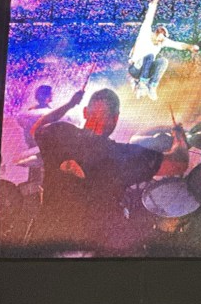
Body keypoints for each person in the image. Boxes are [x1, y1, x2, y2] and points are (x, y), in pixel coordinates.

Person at [29, 86, 187, 253]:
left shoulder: (57, 133)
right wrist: (179, 138)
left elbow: (37, 127)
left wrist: (70, 104)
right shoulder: (122, 156)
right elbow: (178, 163)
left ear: (85, 112)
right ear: (115, 119)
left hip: (46, 245)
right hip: (94, 249)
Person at [127, 0, 200, 100]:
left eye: (163, 37)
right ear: (156, 32)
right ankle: (142, 84)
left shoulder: (162, 42)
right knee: (150, 56)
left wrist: (190, 47)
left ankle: (152, 86)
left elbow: (178, 45)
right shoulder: (145, 32)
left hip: (146, 70)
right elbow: (149, 16)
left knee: (163, 61)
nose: (161, 40)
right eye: (160, 35)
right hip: (135, 69)